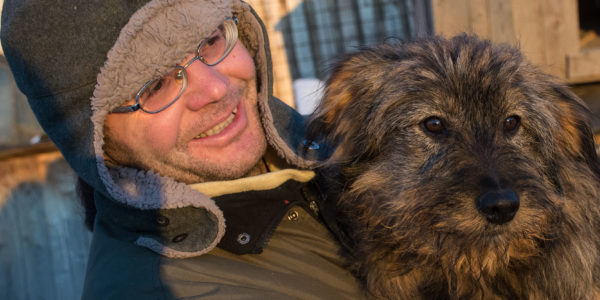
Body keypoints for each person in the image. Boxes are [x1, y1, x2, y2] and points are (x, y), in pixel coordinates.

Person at [1, 0, 362, 298]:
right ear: (96, 141)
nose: (216, 89)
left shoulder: (350, 152)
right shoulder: (172, 289)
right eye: (156, 84)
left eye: (210, 39)